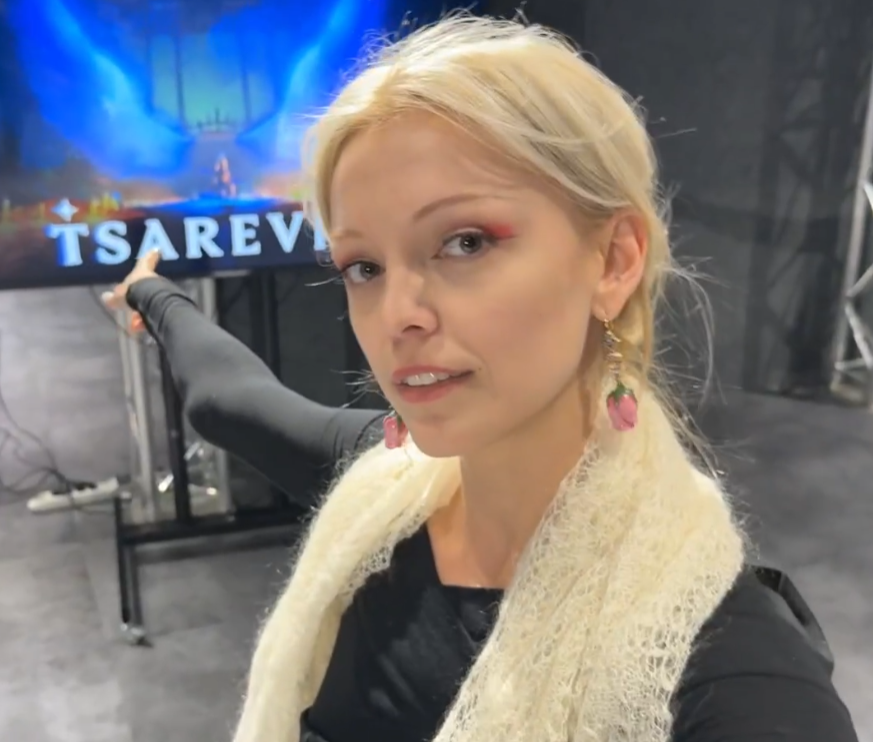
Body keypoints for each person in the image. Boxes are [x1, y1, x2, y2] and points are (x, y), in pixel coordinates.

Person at [106, 14, 857, 742]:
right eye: (362, 266)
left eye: (464, 243)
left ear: (614, 260)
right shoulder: (384, 491)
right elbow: (228, 399)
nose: (397, 315)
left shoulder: (725, 671)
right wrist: (150, 291)